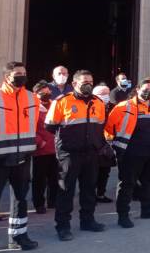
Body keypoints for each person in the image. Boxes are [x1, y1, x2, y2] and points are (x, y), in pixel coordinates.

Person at [46, 69, 107, 241]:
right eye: (84, 81)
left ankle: (88, 221)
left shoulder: (98, 103)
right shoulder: (62, 101)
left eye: (90, 81)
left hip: (91, 153)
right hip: (69, 153)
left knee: (89, 189)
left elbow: (101, 125)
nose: (88, 84)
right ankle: (63, 226)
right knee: (66, 190)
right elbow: (50, 126)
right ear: (74, 84)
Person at [106, 79, 150, 228]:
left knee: (147, 182)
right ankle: (123, 215)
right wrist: (115, 147)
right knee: (127, 184)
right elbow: (108, 128)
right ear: (138, 89)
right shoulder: (123, 106)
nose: (148, 92)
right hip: (130, 154)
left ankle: (146, 209)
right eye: (145, 89)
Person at [0, 61, 40, 250]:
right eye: (18, 73)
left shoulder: (32, 98)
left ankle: (18, 236)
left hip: (23, 156)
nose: (22, 75)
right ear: (7, 77)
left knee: (20, 198)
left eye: (24, 72)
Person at [32, 81, 59, 214]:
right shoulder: (33, 107)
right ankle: (39, 204)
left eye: (48, 92)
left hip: (56, 149)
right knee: (39, 179)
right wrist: (39, 141)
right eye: (43, 93)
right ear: (36, 94)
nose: (47, 94)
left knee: (54, 177)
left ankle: (52, 201)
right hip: (41, 150)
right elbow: (29, 127)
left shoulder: (55, 105)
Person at [92, 83, 114, 203]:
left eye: (107, 93)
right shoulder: (91, 106)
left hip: (107, 144)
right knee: (92, 173)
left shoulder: (113, 107)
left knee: (105, 171)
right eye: (102, 94)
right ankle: (91, 194)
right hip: (93, 144)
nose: (105, 96)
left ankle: (101, 193)